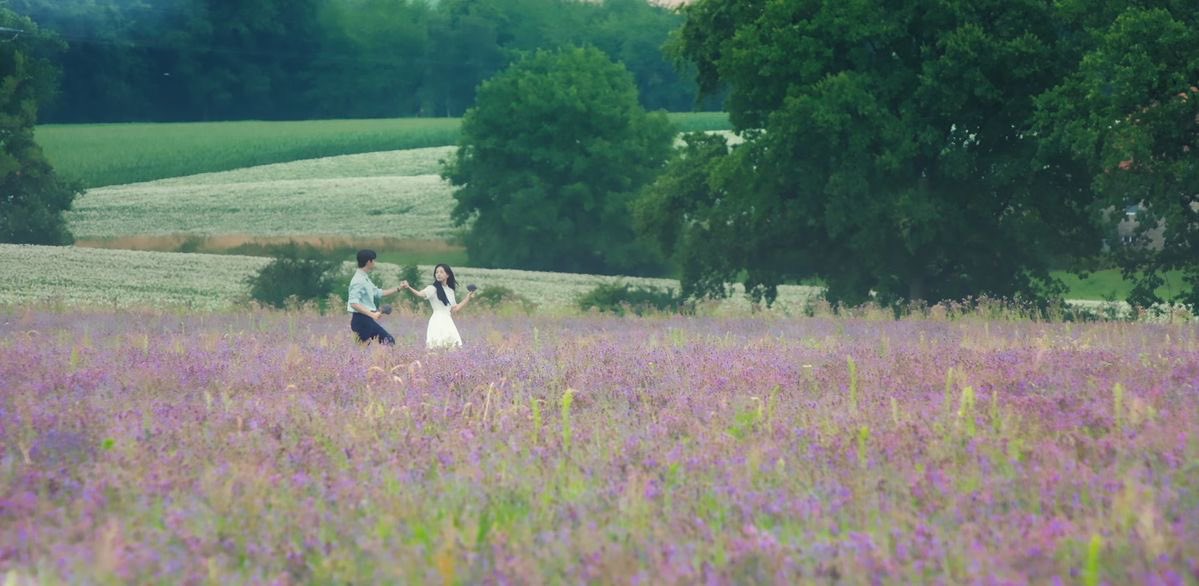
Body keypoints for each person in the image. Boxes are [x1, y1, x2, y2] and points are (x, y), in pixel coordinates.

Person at [401, 263, 476, 349]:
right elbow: (420, 294)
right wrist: (408, 287)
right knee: (437, 347)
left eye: (441, 272)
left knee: (453, 347)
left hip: (448, 321)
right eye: (437, 272)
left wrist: (468, 298)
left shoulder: (450, 290)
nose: (438, 274)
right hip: (437, 321)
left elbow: (455, 309)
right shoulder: (432, 288)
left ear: (447, 275)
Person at [347, 249, 402, 345]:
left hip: (367, 320)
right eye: (374, 260)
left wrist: (398, 288)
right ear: (369, 262)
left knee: (389, 341)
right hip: (361, 321)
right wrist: (372, 314)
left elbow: (378, 293)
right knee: (363, 351)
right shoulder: (358, 280)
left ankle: (382, 360)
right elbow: (353, 303)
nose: (375, 263)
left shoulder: (365, 278)